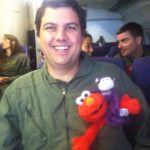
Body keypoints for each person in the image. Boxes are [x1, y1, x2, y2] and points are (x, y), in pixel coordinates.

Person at [0, 0, 149, 149]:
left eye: (71, 27)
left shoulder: (114, 77)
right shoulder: (16, 93)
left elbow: (146, 135)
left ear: (82, 35)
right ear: (38, 35)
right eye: (50, 27)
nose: (60, 36)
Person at [0, 34, 30, 99]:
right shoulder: (2, 57)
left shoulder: (22, 57)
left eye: (5, 40)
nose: (2, 41)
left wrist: (6, 79)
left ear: (13, 42)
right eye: (2, 40)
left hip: (13, 85)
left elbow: (24, 77)